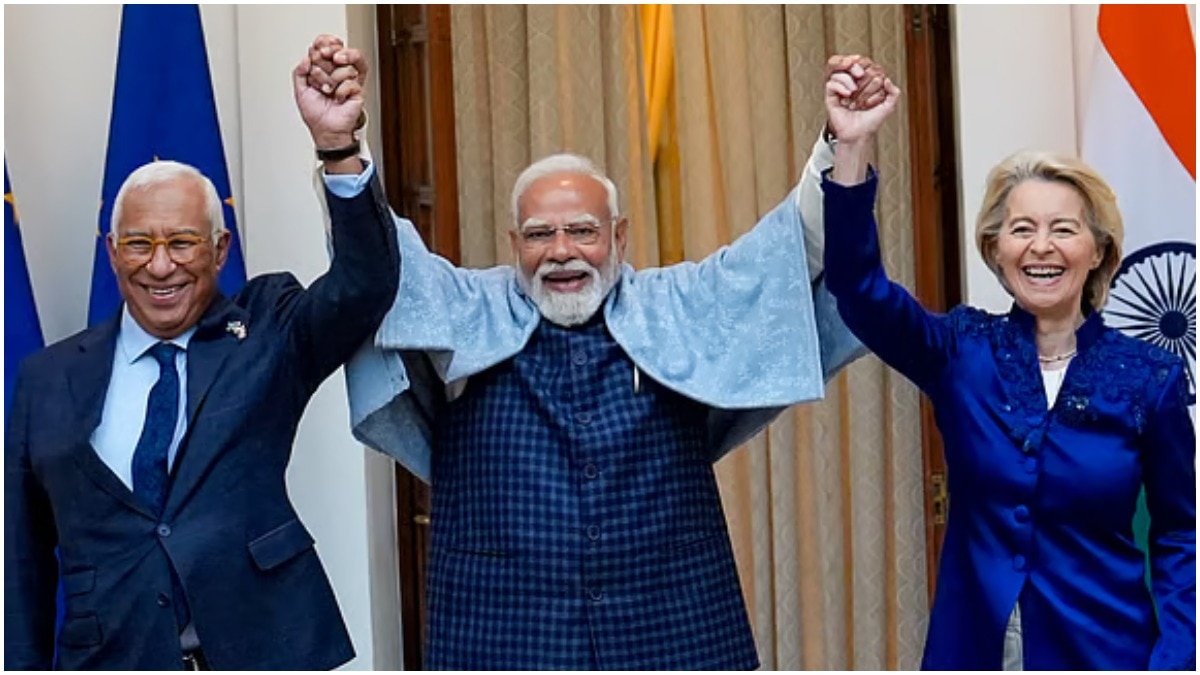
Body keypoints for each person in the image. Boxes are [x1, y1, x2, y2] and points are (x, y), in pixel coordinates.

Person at [334, 50, 888, 668]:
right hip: (502, 627)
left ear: (620, 238)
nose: (562, 252)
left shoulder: (679, 302)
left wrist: (845, 140)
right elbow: (378, 263)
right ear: (514, 244)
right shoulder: (465, 307)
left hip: (672, 621)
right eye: (540, 235)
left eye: (583, 231)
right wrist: (339, 146)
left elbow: (792, 249)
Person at [4, 35, 399, 670]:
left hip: (263, 650)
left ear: (219, 252)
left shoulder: (267, 329)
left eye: (184, 242)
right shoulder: (47, 378)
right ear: (113, 253)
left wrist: (338, 149)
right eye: (138, 243)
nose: (161, 265)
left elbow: (365, 285)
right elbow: (20, 563)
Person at [820, 65, 1196, 670]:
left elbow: (1182, 533)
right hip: (975, 650)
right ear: (996, 248)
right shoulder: (960, 350)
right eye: (1022, 229)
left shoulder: (1151, 378)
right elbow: (857, 287)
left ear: (1097, 250)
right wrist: (852, 144)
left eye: (1063, 229)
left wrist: (1176, 659)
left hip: (1107, 651)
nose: (1041, 247)